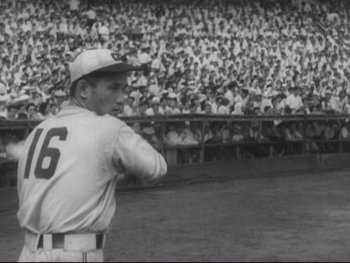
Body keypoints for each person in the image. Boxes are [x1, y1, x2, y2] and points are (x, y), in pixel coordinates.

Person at [16, 49, 168, 262]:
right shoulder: (108, 127)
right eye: (114, 88)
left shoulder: (39, 130)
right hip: (74, 253)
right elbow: (156, 168)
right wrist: (119, 171)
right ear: (84, 89)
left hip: (29, 253)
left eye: (123, 89)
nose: (121, 98)